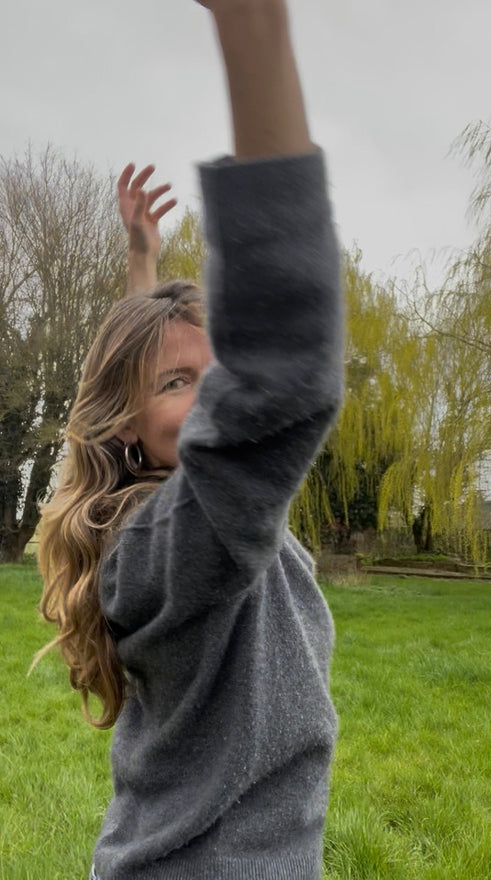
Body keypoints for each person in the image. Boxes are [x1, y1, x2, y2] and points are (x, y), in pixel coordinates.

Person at [36, 0, 344, 877]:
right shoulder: (164, 547)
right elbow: (276, 373)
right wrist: (254, 27)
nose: (212, 398)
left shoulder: (167, 520)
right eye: (182, 383)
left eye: (218, 374)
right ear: (127, 424)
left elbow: (154, 398)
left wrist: (144, 269)